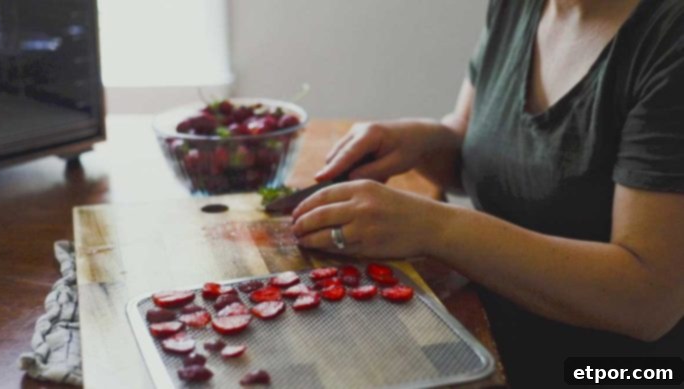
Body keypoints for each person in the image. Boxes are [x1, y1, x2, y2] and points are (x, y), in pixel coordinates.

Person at [290, 0, 684, 386]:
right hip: (493, 335)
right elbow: (474, 149)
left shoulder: (670, 38)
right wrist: (422, 141)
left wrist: (434, 227)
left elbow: (648, 300)